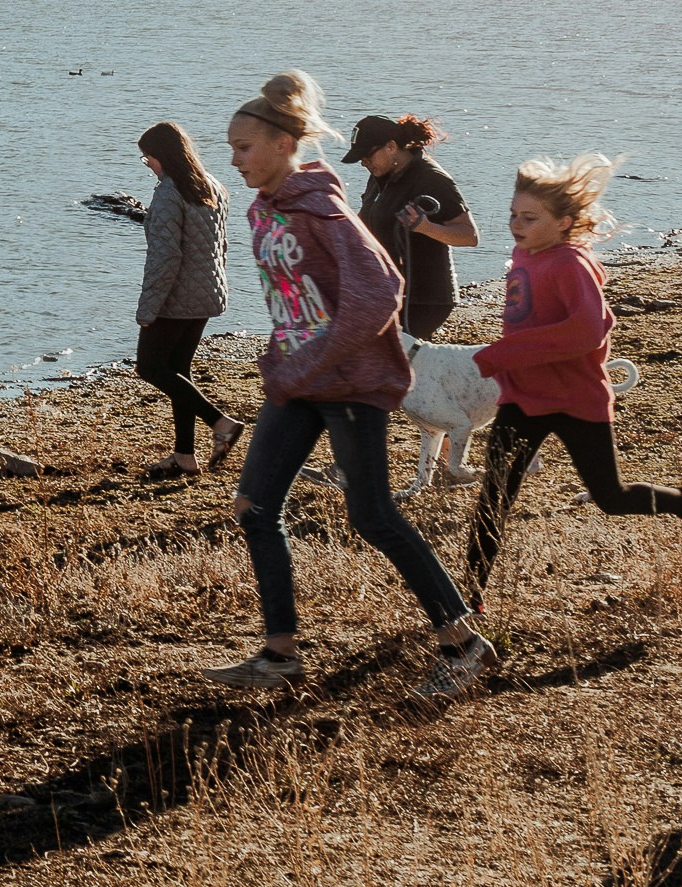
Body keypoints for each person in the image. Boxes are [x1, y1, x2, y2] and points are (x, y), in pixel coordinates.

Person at [209, 70, 492, 700]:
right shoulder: (264, 208)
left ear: (284, 145)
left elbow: (381, 291)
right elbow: (296, 300)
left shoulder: (322, 207)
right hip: (300, 383)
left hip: (351, 383)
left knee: (373, 515)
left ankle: (465, 642)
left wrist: (313, 359)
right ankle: (279, 653)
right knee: (255, 508)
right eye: (229, 148)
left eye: (244, 148)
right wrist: (280, 353)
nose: (234, 160)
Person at [462, 154, 682, 591]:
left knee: (611, 497)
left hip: (575, 399)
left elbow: (588, 331)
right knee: (494, 499)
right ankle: (469, 602)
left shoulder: (570, 264)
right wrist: (512, 361)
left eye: (529, 217)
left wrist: (506, 353)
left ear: (565, 222)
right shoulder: (524, 254)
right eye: (512, 214)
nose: (516, 224)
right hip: (523, 400)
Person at [131, 119, 238, 478]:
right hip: (207, 293)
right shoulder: (214, 186)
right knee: (179, 373)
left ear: (161, 156)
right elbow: (221, 246)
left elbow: (165, 257)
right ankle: (185, 456)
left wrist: (148, 308)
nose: (148, 166)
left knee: (149, 367)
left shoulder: (168, 193)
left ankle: (220, 421)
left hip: (175, 298)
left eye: (147, 159)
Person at [346, 113, 476, 342]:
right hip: (388, 291)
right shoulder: (379, 176)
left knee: (393, 359)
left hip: (424, 298)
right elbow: (366, 221)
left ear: (391, 146)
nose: (364, 162)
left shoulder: (432, 179)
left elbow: (469, 235)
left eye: (367, 155)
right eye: (360, 159)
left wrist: (425, 227)